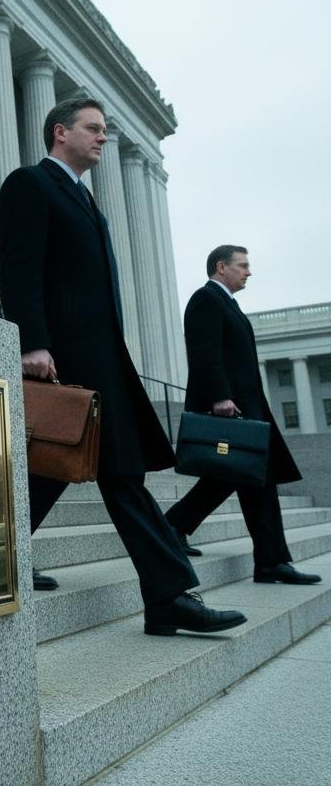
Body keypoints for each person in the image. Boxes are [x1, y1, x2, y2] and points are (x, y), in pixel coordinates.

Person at [0, 97, 246, 635]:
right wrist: (33, 343)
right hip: (64, 361)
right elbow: (17, 267)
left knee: (105, 474)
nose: (103, 137)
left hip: (103, 360)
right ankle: (169, 594)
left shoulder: (87, 201)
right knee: (90, 472)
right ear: (60, 133)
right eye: (93, 128)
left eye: (106, 130)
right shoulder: (30, 184)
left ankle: (166, 597)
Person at [164, 246, 320, 585]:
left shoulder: (228, 304)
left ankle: (270, 561)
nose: (248, 272)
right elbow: (205, 353)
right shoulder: (205, 299)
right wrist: (220, 397)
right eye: (243, 265)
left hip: (248, 406)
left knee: (256, 480)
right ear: (221, 267)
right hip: (229, 406)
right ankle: (174, 527)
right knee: (237, 476)